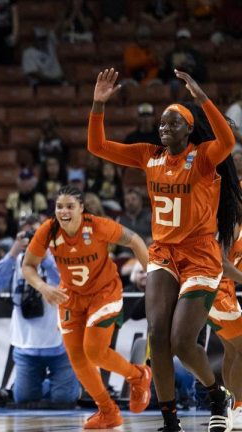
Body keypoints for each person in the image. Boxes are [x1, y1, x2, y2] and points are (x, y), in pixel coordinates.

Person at [88, 68, 240, 432]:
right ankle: (170, 420)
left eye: (173, 124)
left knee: (182, 341)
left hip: (201, 256)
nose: (164, 129)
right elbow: (97, 146)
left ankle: (216, 395)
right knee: (157, 336)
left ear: (188, 130)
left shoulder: (204, 157)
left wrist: (202, 97)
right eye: (162, 124)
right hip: (163, 254)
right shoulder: (148, 155)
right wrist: (97, 105)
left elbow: (228, 140)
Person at [22, 185, 152, 429]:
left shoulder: (97, 226)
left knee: (94, 351)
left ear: (81, 208)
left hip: (104, 293)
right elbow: (28, 266)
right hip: (70, 296)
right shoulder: (48, 230)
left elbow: (135, 240)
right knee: (78, 360)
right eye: (59, 206)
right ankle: (108, 411)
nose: (64, 211)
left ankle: (138, 375)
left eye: (70, 206)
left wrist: (152, 276)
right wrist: (43, 287)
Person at [0, 216, 80, 406]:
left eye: (38, 233)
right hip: (26, 344)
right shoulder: (14, 260)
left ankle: (70, 386)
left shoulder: (62, 255)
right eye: (28, 234)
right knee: (25, 398)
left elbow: (71, 284)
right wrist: (12, 253)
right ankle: (51, 386)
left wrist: (45, 259)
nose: (33, 238)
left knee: (64, 400)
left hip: (60, 344)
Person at [212, 225, 242, 429]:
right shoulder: (229, 225)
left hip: (225, 291)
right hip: (214, 290)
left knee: (232, 351)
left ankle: (231, 408)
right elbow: (221, 263)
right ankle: (239, 408)